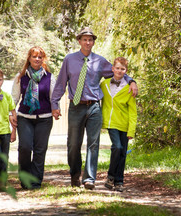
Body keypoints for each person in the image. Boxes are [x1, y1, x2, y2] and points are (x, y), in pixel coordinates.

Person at [51, 27, 138, 190]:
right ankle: (75, 174)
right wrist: (54, 104)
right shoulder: (69, 60)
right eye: (84, 39)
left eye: (90, 40)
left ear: (93, 42)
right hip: (76, 107)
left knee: (93, 143)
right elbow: (61, 83)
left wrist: (132, 81)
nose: (87, 42)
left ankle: (89, 179)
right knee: (73, 145)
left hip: (94, 107)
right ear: (79, 41)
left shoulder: (100, 61)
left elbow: (117, 72)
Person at [11, 46, 56, 189]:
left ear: (43, 59)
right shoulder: (20, 77)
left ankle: (36, 182)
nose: (37, 59)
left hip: (44, 118)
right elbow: (14, 98)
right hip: (24, 117)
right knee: (25, 147)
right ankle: (24, 179)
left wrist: (56, 109)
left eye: (40, 57)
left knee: (39, 150)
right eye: (34, 56)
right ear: (29, 58)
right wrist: (11, 114)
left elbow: (53, 98)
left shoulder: (49, 77)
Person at [101, 57, 137, 192]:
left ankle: (119, 181)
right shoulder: (104, 85)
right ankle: (110, 176)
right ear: (112, 69)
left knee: (122, 152)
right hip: (111, 123)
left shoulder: (129, 88)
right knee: (117, 147)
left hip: (125, 124)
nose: (119, 71)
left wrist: (131, 131)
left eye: (123, 69)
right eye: (117, 68)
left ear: (126, 71)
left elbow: (133, 112)